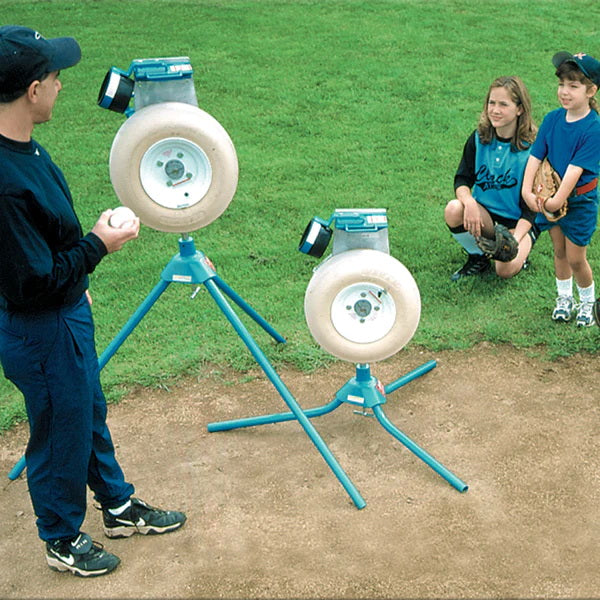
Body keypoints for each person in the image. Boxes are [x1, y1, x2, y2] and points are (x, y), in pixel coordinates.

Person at [0, 26, 186, 577]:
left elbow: (47, 256)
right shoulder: (5, 181)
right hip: (41, 326)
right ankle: (60, 538)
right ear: (33, 89)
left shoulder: (23, 146)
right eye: (56, 78)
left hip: (63, 316)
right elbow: (31, 282)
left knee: (86, 413)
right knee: (60, 427)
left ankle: (118, 506)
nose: (61, 86)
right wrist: (99, 244)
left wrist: (83, 258)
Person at [521, 52, 600, 327]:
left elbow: (574, 171)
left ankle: (588, 303)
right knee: (559, 251)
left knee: (576, 257)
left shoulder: (594, 127)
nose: (564, 92)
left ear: (591, 91)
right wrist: (527, 191)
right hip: (549, 197)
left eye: (573, 86)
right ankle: (564, 299)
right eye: (561, 84)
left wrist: (556, 201)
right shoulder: (553, 119)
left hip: (579, 200)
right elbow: (535, 155)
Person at [445, 76, 538, 281]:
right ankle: (478, 257)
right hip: (486, 215)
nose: (495, 110)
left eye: (503, 104)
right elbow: (462, 179)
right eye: (491, 102)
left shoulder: (532, 149)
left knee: (503, 271)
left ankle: (521, 256)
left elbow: (532, 209)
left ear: (519, 109)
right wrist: (468, 202)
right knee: (453, 209)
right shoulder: (479, 137)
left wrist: (514, 239)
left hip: (519, 221)